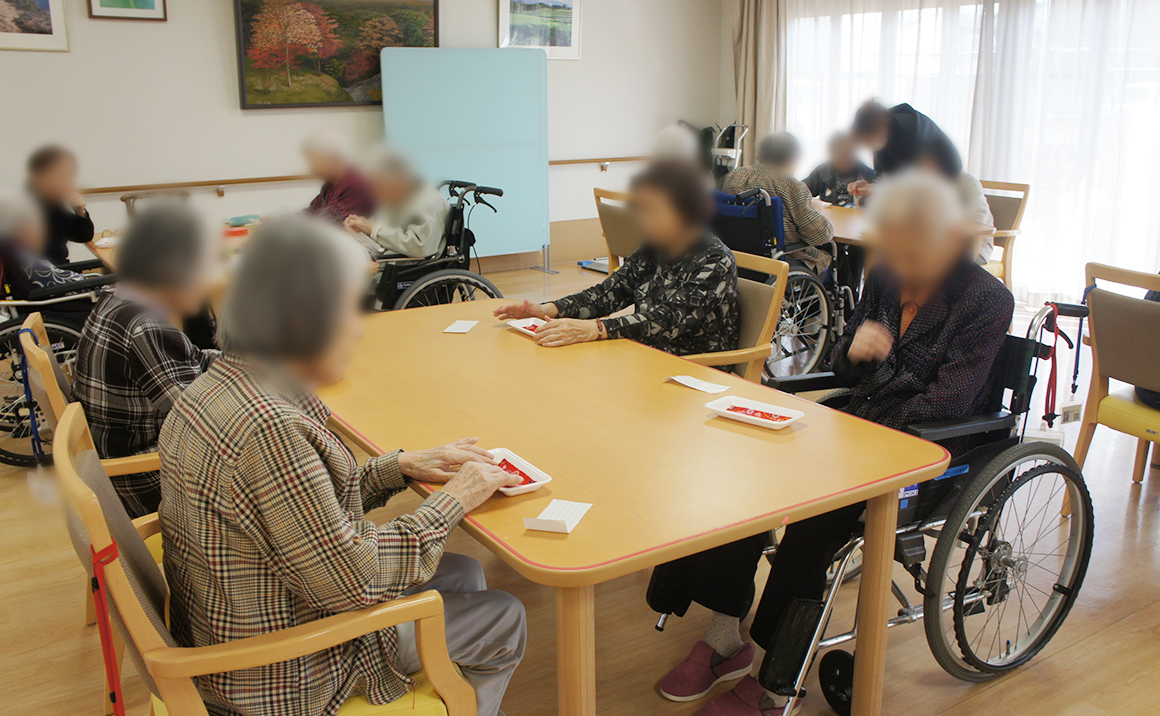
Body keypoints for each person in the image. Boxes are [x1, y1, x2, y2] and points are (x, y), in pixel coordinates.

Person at [650, 170, 1013, 716]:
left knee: (815, 517)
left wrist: (869, 409)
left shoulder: (986, 300)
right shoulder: (887, 273)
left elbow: (950, 400)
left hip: (924, 445)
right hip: (858, 424)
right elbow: (842, 363)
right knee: (743, 474)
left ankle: (776, 683)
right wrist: (856, 351)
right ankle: (724, 635)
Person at [158, 216, 526, 716]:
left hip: (235, 616)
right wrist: (452, 501)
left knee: (462, 570)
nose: (357, 329)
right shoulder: (270, 428)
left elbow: (302, 510)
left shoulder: (217, 386)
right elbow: (354, 580)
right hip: (281, 666)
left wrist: (402, 466)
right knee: (505, 615)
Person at [493, 158, 739, 356]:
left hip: (696, 370)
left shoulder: (715, 260)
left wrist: (596, 329)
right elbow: (609, 293)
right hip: (647, 355)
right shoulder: (654, 247)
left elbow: (668, 320)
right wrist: (548, 309)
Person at [73, 204, 220, 518]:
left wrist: (242, 360)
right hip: (147, 478)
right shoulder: (146, 326)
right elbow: (205, 420)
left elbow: (192, 360)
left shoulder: (117, 300)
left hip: (121, 458)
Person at [723, 132, 835, 273]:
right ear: (791, 158)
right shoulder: (791, 186)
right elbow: (821, 235)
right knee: (834, 254)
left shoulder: (734, 176)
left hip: (740, 258)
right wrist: (816, 209)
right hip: (783, 259)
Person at [342, 146, 450, 258]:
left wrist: (372, 229)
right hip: (385, 258)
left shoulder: (428, 203)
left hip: (407, 265)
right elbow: (377, 228)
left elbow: (419, 247)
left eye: (379, 184)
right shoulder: (396, 196)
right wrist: (360, 230)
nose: (375, 191)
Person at [848, 101, 962, 197]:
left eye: (867, 140)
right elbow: (884, 174)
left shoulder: (909, 132)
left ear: (880, 130)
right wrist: (868, 182)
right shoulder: (882, 137)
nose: (867, 146)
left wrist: (882, 189)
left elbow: (912, 181)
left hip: (945, 177)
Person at [0, 191, 88, 301]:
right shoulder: (22, 258)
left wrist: (80, 211)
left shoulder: (14, 250)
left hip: (60, 281)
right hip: (61, 297)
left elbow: (84, 235)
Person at [26, 145, 94, 266]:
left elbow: (84, 236)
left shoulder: (51, 204)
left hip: (57, 270)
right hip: (48, 273)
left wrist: (80, 211)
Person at [302, 128, 375, 225]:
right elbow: (311, 212)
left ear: (334, 158)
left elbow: (331, 223)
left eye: (314, 160)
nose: (312, 168)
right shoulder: (330, 184)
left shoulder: (355, 184)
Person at [803, 132, 876, 206]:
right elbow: (800, 193)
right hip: (828, 213)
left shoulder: (867, 174)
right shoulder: (822, 172)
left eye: (850, 154)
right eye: (842, 155)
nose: (847, 160)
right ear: (831, 155)